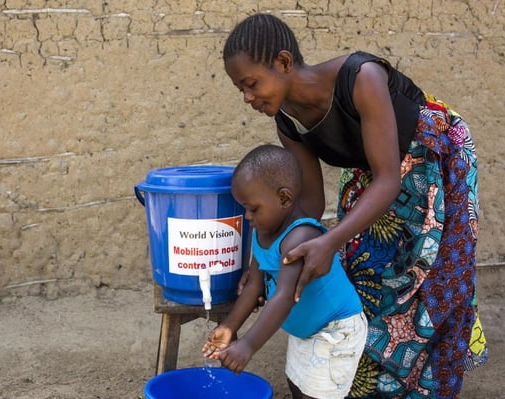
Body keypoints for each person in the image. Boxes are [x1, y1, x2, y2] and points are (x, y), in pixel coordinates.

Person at [222, 13, 488, 399]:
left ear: (282, 63)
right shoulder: (288, 122)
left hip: (434, 158)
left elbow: (389, 179)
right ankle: (381, 384)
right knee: (366, 272)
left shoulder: (361, 77)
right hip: (373, 171)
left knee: (432, 274)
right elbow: (308, 203)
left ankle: (428, 386)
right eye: (240, 90)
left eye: (251, 84)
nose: (247, 98)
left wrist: (328, 242)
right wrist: (262, 264)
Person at [202, 144, 368, 399]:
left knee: (317, 394)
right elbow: (254, 286)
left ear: (284, 198)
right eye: (244, 208)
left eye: (253, 208)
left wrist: (247, 345)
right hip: (308, 331)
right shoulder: (262, 234)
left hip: (335, 330)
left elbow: (284, 295)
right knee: (298, 386)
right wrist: (229, 327)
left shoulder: (300, 237)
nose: (247, 216)